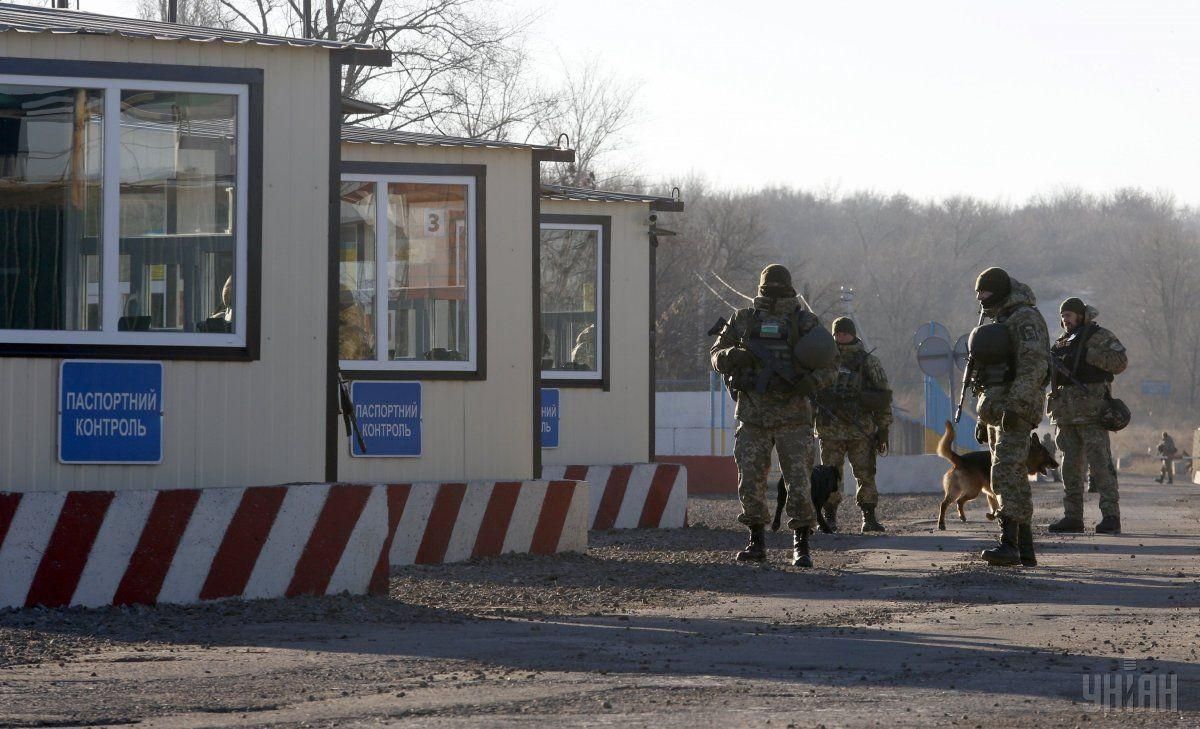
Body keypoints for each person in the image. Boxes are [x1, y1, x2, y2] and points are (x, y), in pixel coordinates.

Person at [710, 264, 838, 567]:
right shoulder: (743, 320)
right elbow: (716, 356)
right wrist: (731, 356)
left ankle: (801, 541)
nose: (772, 294)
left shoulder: (805, 322)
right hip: (754, 415)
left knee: (798, 481)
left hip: (793, 417)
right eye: (770, 290)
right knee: (751, 479)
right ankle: (757, 538)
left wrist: (811, 382)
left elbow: (830, 366)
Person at [969, 267, 1050, 567]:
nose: (980, 298)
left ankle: (1009, 544)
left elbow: (1033, 366)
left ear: (999, 292)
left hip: (1016, 409)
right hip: (997, 409)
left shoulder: (1024, 319)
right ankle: (1025, 548)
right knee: (1013, 474)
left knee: (1004, 472)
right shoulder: (1000, 319)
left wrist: (1015, 407)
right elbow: (988, 377)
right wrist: (983, 418)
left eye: (985, 293)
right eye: (978, 293)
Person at [1046, 298, 1128, 535]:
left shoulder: (1099, 336)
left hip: (1092, 414)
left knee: (1100, 465)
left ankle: (1111, 517)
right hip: (1065, 416)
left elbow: (1120, 362)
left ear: (1081, 315)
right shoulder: (1061, 342)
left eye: (1070, 315)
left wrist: (1089, 356)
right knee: (1070, 469)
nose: (1066, 320)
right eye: (1063, 316)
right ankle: (1072, 517)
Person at [814, 317, 892, 533]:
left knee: (865, 473)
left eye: (845, 333)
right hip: (830, 430)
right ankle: (830, 517)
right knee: (830, 475)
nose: (841, 337)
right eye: (837, 334)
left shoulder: (869, 362)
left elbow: (883, 397)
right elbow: (811, 391)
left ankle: (869, 517)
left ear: (853, 334)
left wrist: (883, 428)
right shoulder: (824, 360)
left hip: (861, 430)